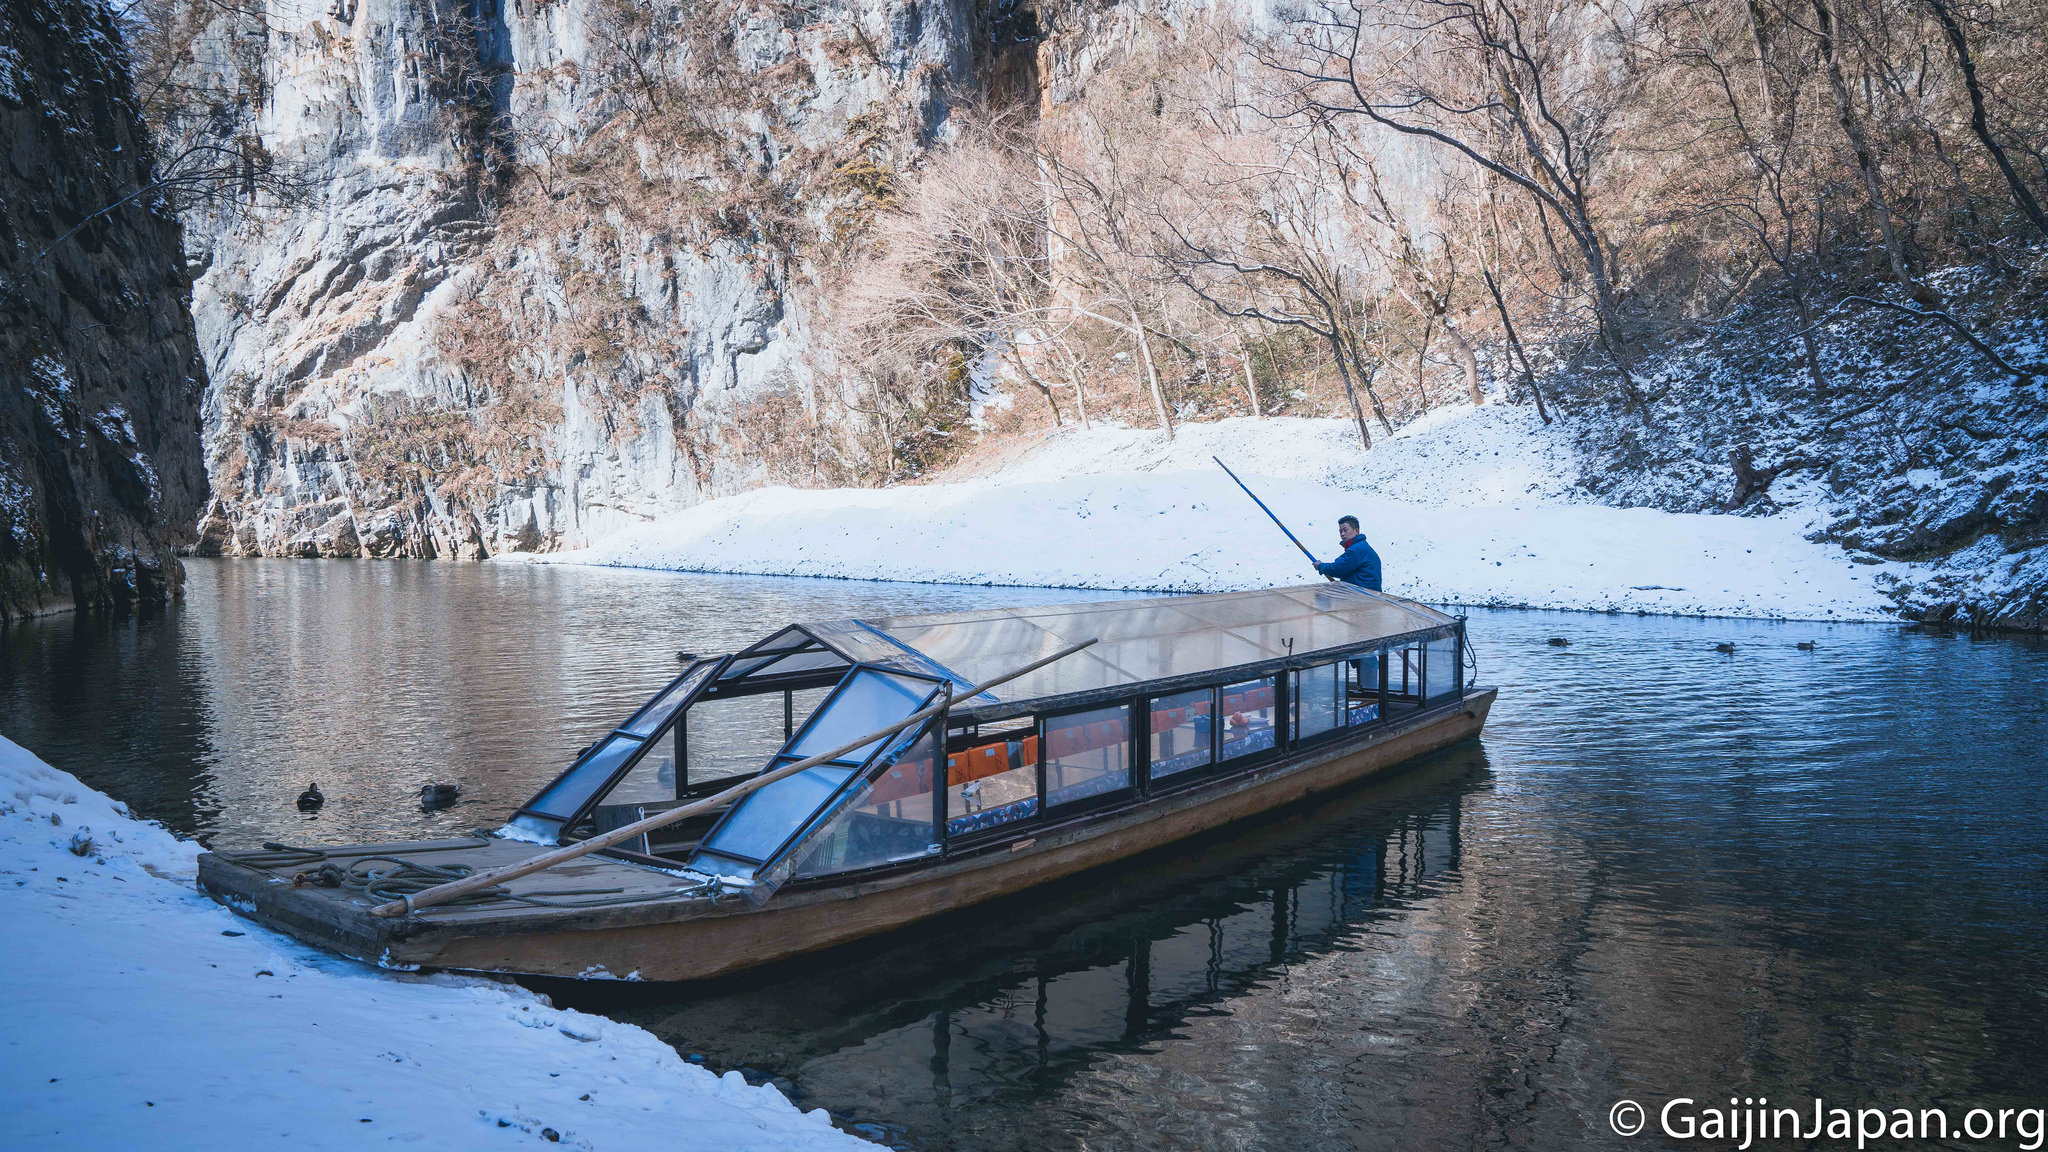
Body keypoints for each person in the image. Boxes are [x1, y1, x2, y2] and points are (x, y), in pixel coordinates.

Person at [1316, 515, 1382, 591]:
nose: (1342, 534)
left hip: (1361, 594)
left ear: (1356, 531)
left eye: (1345, 530)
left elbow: (1338, 568)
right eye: (1340, 531)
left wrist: (1321, 566)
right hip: (1371, 594)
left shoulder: (1356, 549)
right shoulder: (1363, 547)